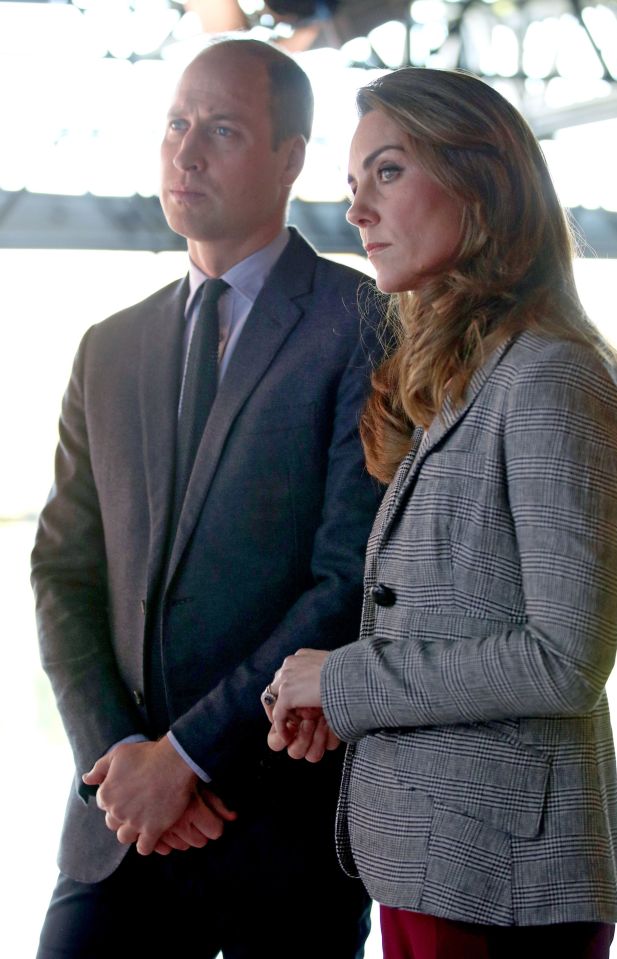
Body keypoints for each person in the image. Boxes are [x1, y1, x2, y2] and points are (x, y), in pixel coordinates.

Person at [264, 66, 617, 959]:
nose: (358, 210)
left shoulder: (550, 375)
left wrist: (348, 679)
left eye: (389, 171)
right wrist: (348, 701)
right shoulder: (468, 378)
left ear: (483, 178)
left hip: (503, 884)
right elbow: (457, 616)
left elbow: (564, 660)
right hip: (435, 864)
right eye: (353, 183)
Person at [31, 37, 381, 959]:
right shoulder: (107, 348)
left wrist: (186, 757)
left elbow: (346, 582)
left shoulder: (365, 324)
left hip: (279, 838)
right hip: (120, 834)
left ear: (291, 158)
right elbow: (61, 572)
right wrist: (127, 771)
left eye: (221, 130)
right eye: (177, 125)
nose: (186, 153)